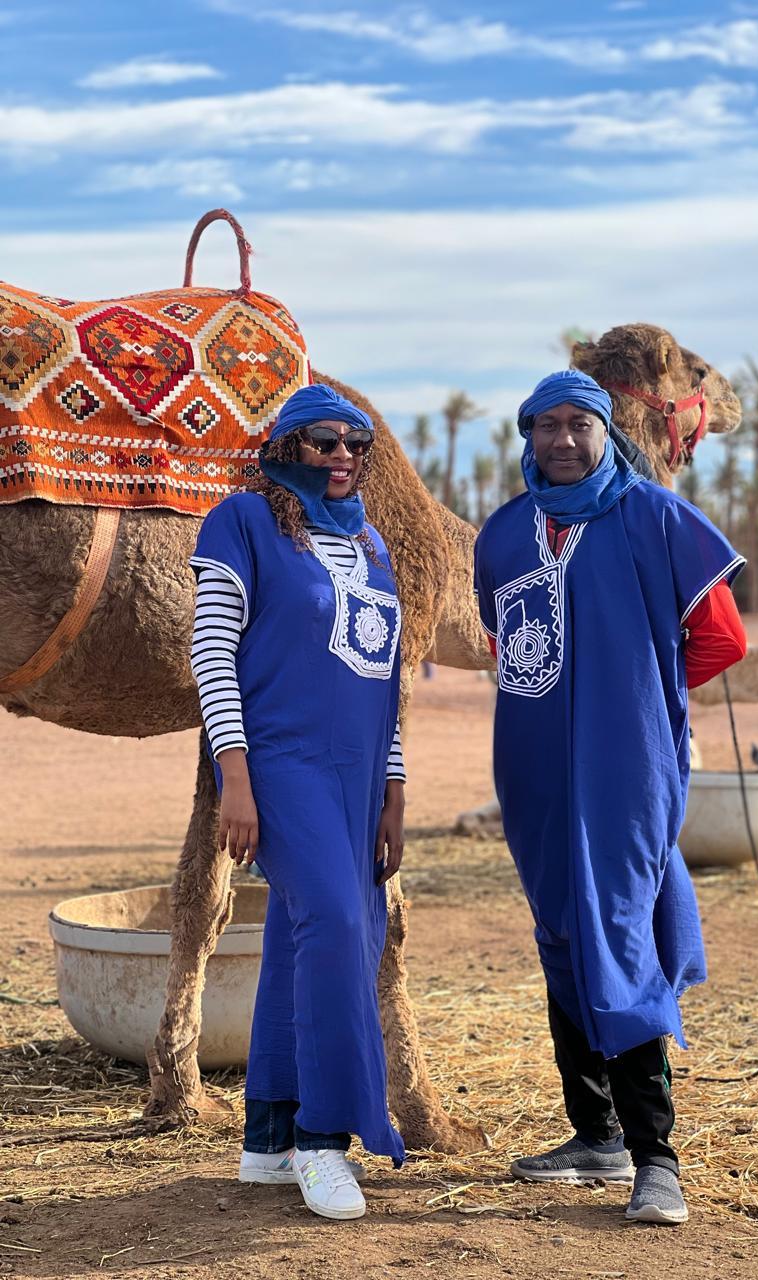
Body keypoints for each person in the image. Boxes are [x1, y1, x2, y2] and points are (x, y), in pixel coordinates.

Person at [473, 370, 747, 1225]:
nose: (562, 439)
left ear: (606, 432)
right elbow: (507, 644)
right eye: (546, 424)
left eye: (579, 423)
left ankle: (655, 1158)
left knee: (618, 931)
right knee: (561, 929)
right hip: (532, 770)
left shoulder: (656, 517)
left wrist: (640, 691)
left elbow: (722, 638)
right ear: (528, 435)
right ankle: (595, 1134)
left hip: (628, 769)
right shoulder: (504, 535)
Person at [188, 383, 406, 1221]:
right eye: (323, 441)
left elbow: (384, 681)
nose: (342, 456)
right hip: (281, 763)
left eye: (357, 444)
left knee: (303, 935)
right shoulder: (242, 522)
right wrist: (234, 778)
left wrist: (393, 789)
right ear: (286, 449)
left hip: (360, 777)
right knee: (338, 927)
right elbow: (212, 653)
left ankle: (270, 1139)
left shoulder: (372, 545)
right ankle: (324, 1139)